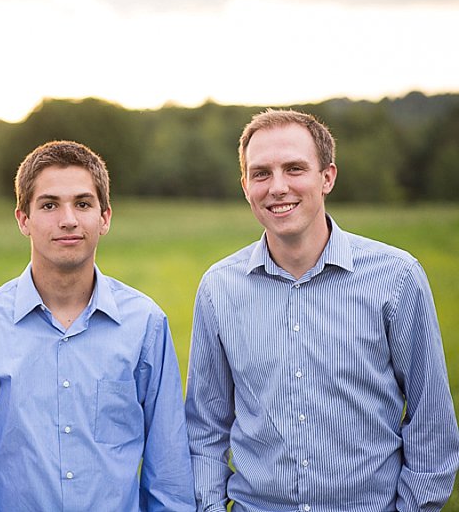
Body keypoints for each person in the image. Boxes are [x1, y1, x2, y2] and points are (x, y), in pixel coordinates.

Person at [185, 109, 459, 512]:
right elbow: (205, 429)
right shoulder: (218, 289)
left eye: (294, 169)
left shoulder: (397, 278)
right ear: (245, 186)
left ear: (327, 177)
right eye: (261, 174)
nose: (278, 187)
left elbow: (430, 421)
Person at [0, 140, 194, 510]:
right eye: (49, 205)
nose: (68, 219)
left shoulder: (145, 324)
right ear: (23, 219)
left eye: (83, 204)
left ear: (105, 217)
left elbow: (169, 478)